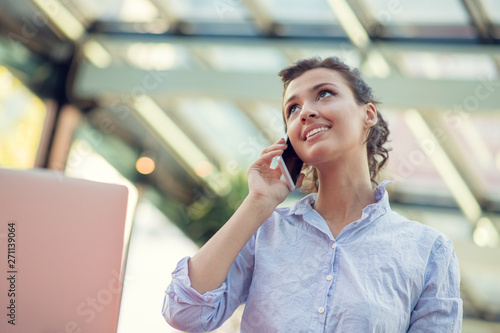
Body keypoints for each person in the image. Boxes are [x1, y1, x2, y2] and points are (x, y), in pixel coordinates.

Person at [162, 56, 463, 332]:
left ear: (368, 114)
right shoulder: (264, 232)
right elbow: (184, 312)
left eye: (324, 94)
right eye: (292, 109)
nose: (305, 112)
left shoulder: (428, 250)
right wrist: (259, 202)